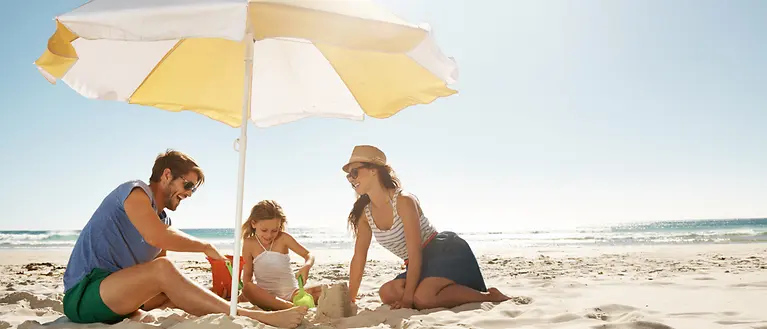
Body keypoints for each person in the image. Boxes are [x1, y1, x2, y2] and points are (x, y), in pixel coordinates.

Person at [61, 149, 307, 328]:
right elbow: (156, 236)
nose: (189, 193)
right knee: (163, 268)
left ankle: (230, 305)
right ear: (166, 175)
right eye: (187, 184)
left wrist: (210, 295)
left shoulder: (165, 221)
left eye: (194, 189)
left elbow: (155, 296)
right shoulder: (135, 192)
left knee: (171, 284)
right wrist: (205, 246)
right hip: (84, 295)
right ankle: (256, 317)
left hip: (117, 303)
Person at [342, 145, 511, 310]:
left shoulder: (404, 201)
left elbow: (415, 251)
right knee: (386, 292)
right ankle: (433, 292)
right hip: (417, 263)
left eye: (355, 172)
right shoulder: (365, 214)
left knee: (422, 299)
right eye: (349, 176)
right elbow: (359, 257)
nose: (351, 179)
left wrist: (408, 299)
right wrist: (351, 298)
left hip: (444, 251)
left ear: (374, 170)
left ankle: (489, 296)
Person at [240, 200, 323, 310]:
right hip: (266, 297)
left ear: (280, 225)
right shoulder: (249, 243)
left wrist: (306, 266)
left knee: (330, 289)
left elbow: (308, 254)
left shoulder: (283, 238)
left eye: (274, 230)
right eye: (264, 230)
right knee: (247, 289)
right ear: (253, 223)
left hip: (292, 294)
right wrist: (248, 293)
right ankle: (289, 307)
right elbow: (248, 274)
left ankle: (288, 305)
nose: (269, 235)